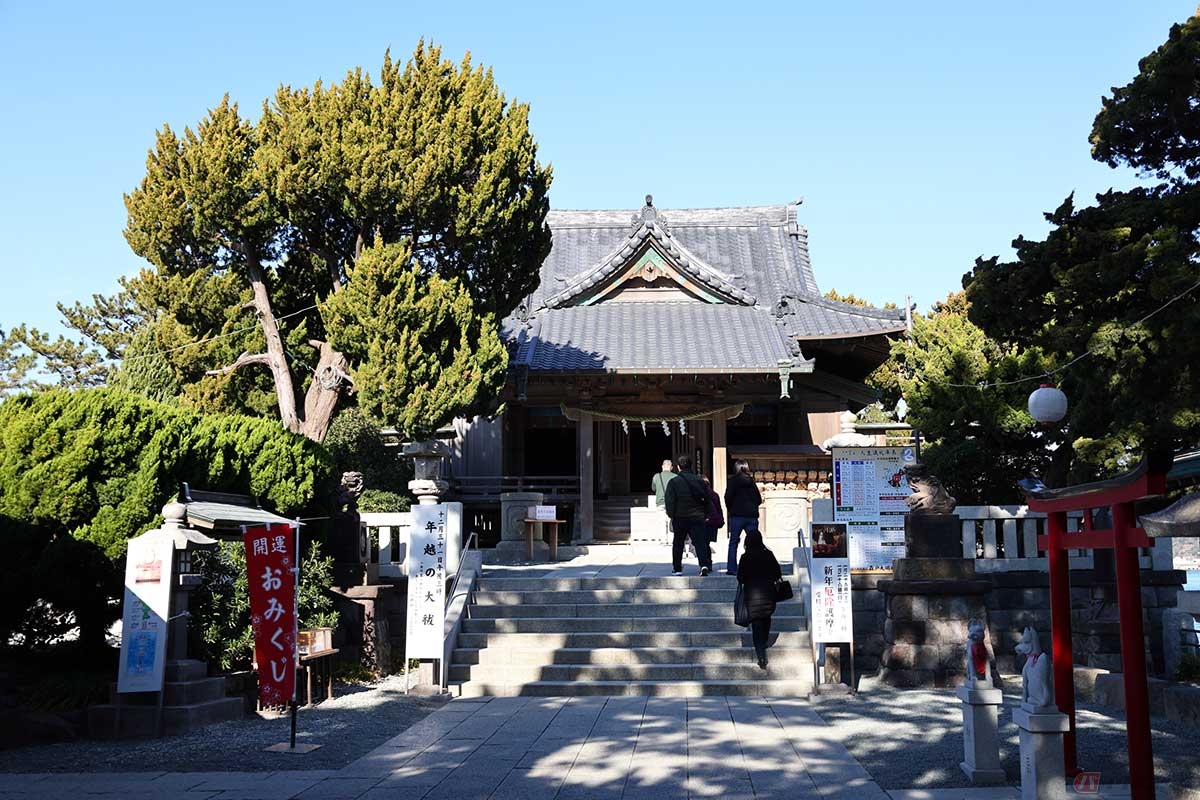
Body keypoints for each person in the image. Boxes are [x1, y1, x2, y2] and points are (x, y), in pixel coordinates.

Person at [737, 530, 781, 669]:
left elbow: (740, 577)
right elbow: (777, 573)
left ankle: (761, 654)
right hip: (768, 592)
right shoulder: (768, 554)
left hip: (751, 594)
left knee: (756, 623)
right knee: (766, 617)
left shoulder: (745, 557)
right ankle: (765, 640)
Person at [664, 455, 712, 576]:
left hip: (680, 516)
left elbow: (670, 501)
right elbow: (707, 499)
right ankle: (704, 565)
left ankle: (677, 568)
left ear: (678, 467)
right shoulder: (700, 481)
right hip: (697, 515)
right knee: (700, 541)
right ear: (691, 466)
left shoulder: (674, 482)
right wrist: (707, 513)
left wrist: (671, 514)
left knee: (678, 542)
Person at [723, 459, 762, 574]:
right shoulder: (751, 481)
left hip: (737, 516)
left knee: (733, 542)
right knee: (755, 542)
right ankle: (755, 567)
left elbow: (728, 497)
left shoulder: (732, 481)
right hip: (751, 516)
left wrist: (731, 508)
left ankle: (732, 568)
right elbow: (758, 499)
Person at [701, 475, 723, 550]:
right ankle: (708, 559)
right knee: (707, 543)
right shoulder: (714, 494)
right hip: (713, 521)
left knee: (702, 543)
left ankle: (705, 560)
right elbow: (719, 509)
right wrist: (721, 520)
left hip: (702, 521)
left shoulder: (698, 494)